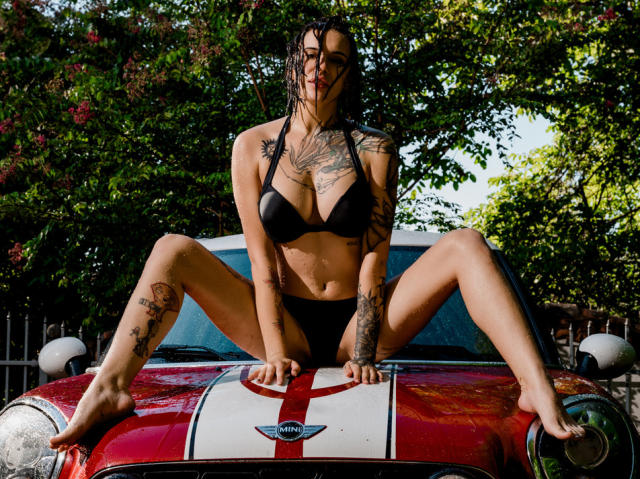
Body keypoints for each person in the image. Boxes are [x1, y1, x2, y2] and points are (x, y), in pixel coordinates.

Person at [50, 16, 583, 452]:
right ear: (291, 65)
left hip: (358, 322)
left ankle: (535, 387)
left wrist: (364, 353)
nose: (319, 68)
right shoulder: (252, 147)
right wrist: (275, 353)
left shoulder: (375, 148)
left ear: (348, 75)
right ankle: (109, 388)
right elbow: (261, 263)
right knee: (172, 248)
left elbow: (375, 259)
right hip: (286, 323)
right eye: (308, 56)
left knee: (466, 242)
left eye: (333, 60)